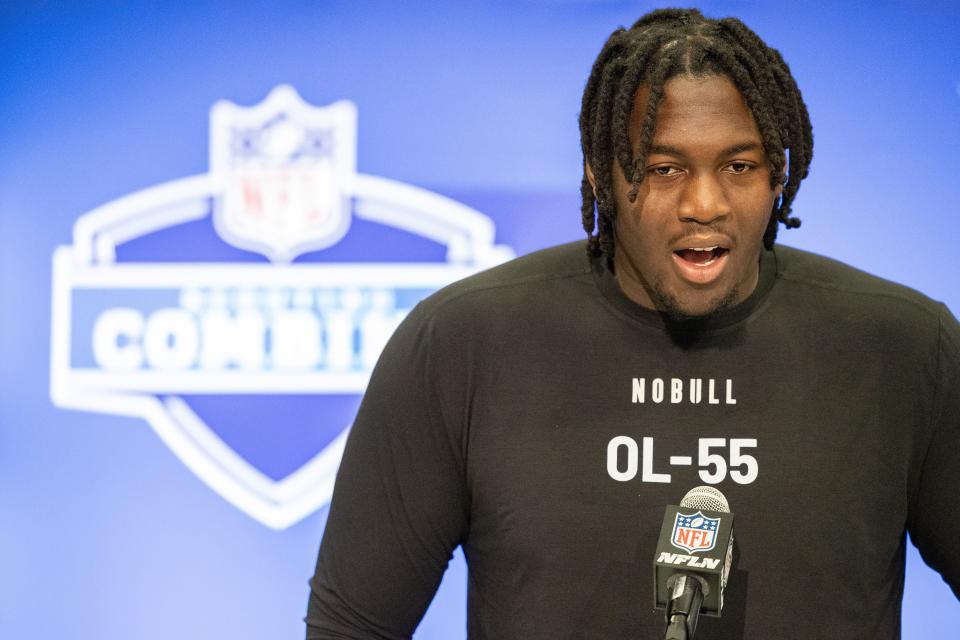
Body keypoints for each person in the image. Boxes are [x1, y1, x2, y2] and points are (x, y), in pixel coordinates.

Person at [306, 8, 959, 638]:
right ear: (600, 173)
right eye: (663, 168)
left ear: (777, 174)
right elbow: (351, 627)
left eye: (740, 166)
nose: (705, 204)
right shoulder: (460, 345)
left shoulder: (902, 351)